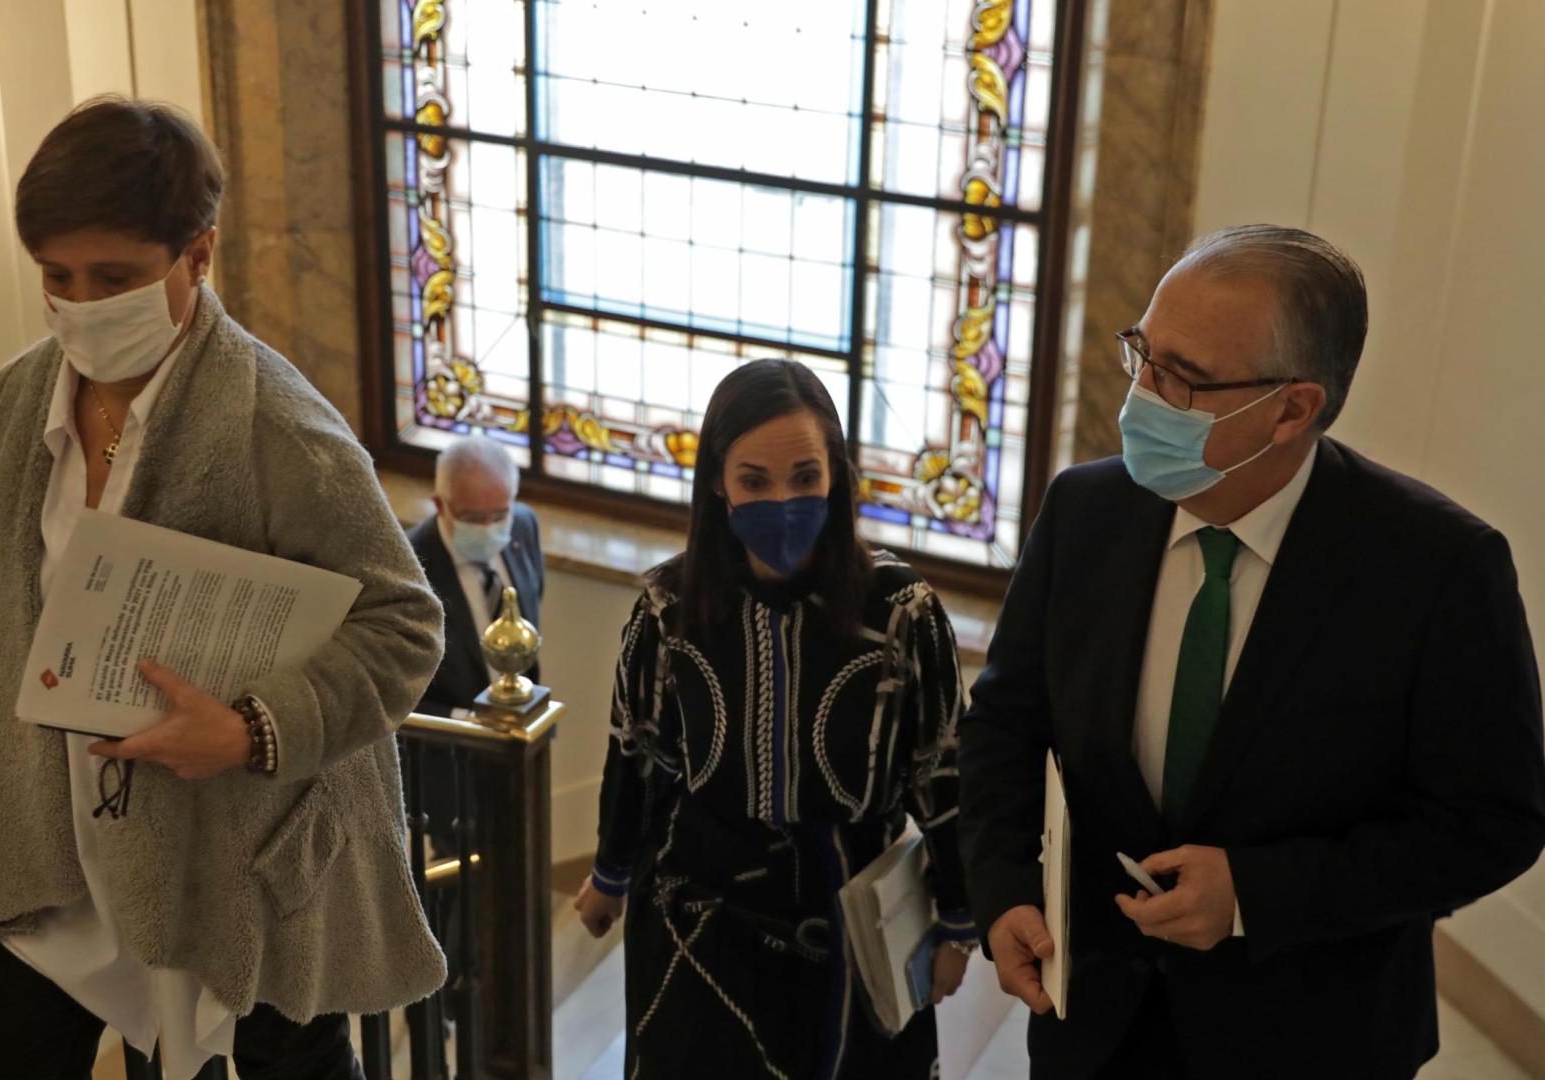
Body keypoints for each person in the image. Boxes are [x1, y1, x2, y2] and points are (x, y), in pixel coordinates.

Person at [957, 224, 1545, 1079]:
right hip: (1097, 1022)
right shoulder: (1086, 513)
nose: (1142, 398)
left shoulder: (1438, 570)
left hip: (1307, 1037)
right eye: (1142, 355)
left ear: (1292, 409)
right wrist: (1003, 887)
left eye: (1182, 379)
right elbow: (1005, 723)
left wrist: (1256, 896)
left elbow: (1493, 823)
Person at [0, 97, 447, 1080]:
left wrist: (254, 729)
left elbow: (403, 626)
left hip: (233, 859)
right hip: (52, 853)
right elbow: (12, 616)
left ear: (199, 254)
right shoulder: (11, 404)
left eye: (116, 278)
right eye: (58, 277)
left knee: (288, 1064)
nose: (81, 305)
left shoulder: (277, 427)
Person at [575, 359, 976, 1079]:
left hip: (857, 920)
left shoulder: (903, 612)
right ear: (718, 485)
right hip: (698, 922)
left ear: (837, 478)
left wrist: (957, 923)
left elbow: (943, 771)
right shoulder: (668, 609)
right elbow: (638, 756)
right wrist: (610, 874)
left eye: (805, 478)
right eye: (754, 481)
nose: (782, 501)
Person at [406, 435, 544, 861]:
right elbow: (395, 692)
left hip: (519, 749)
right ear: (440, 503)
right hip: (449, 766)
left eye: (497, 514)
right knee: (459, 883)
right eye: (472, 517)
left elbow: (530, 613)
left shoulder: (522, 525)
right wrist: (469, 724)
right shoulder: (408, 565)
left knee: (523, 854)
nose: (489, 529)